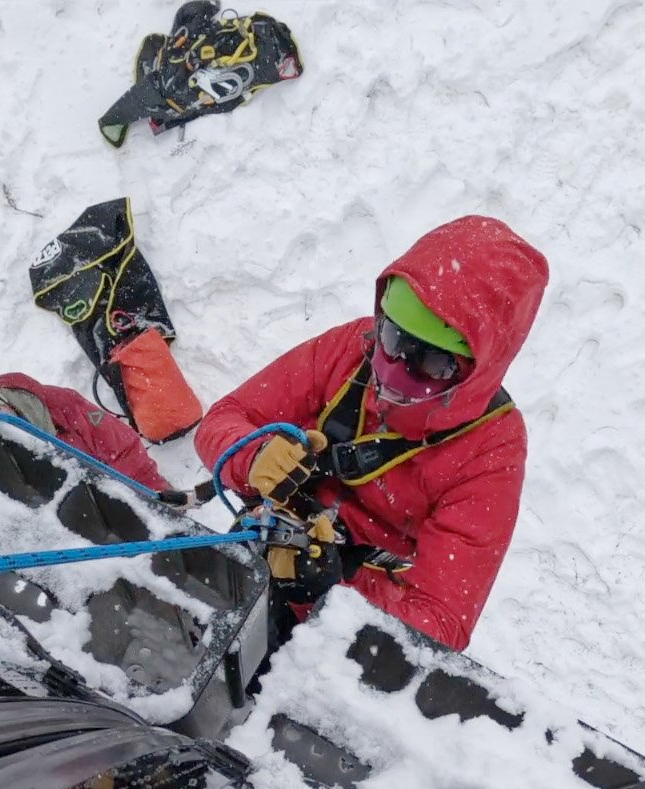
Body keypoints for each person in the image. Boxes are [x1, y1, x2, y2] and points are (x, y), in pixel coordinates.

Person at [194, 216, 548, 651]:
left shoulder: (491, 452)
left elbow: (439, 627)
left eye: (433, 364)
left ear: (477, 370)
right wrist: (253, 456)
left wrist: (335, 585)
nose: (394, 373)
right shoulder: (351, 348)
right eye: (393, 337)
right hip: (260, 551)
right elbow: (225, 418)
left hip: (345, 636)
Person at [0, 366, 170, 490]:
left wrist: (152, 492)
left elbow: (121, 447)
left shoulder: (59, 405)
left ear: (1, 398)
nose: (3, 426)